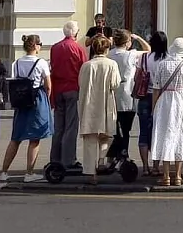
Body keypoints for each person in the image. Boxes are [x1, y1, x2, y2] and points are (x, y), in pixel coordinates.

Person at [0, 35, 53, 183]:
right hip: (37, 99)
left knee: (16, 138)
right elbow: (48, 85)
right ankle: (29, 173)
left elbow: (15, 80)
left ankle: (4, 171)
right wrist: (46, 99)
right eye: (40, 44)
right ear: (35, 46)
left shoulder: (16, 63)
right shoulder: (41, 62)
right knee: (35, 139)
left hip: (21, 100)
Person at [151, 37, 183, 186]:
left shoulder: (162, 64)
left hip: (165, 100)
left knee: (165, 135)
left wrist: (154, 108)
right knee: (180, 135)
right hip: (182, 99)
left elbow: (156, 88)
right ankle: (177, 175)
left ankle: (166, 176)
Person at [76, 35, 120, 184]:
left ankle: (91, 173)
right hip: (105, 103)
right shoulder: (111, 64)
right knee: (107, 135)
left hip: (89, 104)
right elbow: (115, 84)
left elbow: (80, 83)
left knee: (90, 139)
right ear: (107, 49)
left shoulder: (86, 65)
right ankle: (101, 159)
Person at [50, 20, 87, 172]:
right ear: (76, 33)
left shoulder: (55, 47)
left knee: (58, 126)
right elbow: (83, 68)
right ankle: (68, 159)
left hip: (58, 88)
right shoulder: (78, 48)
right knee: (71, 126)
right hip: (72, 88)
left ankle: (55, 158)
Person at [108, 29, 150, 163]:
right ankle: (123, 154)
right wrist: (138, 38)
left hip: (112, 94)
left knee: (114, 128)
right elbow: (148, 50)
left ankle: (111, 156)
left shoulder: (110, 54)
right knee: (126, 129)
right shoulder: (131, 55)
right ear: (127, 42)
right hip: (127, 95)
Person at [137, 31, 167, 175]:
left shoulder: (144, 58)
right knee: (158, 132)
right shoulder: (166, 59)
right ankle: (156, 166)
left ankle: (145, 166)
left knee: (143, 132)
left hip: (144, 96)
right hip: (161, 97)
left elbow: (137, 76)